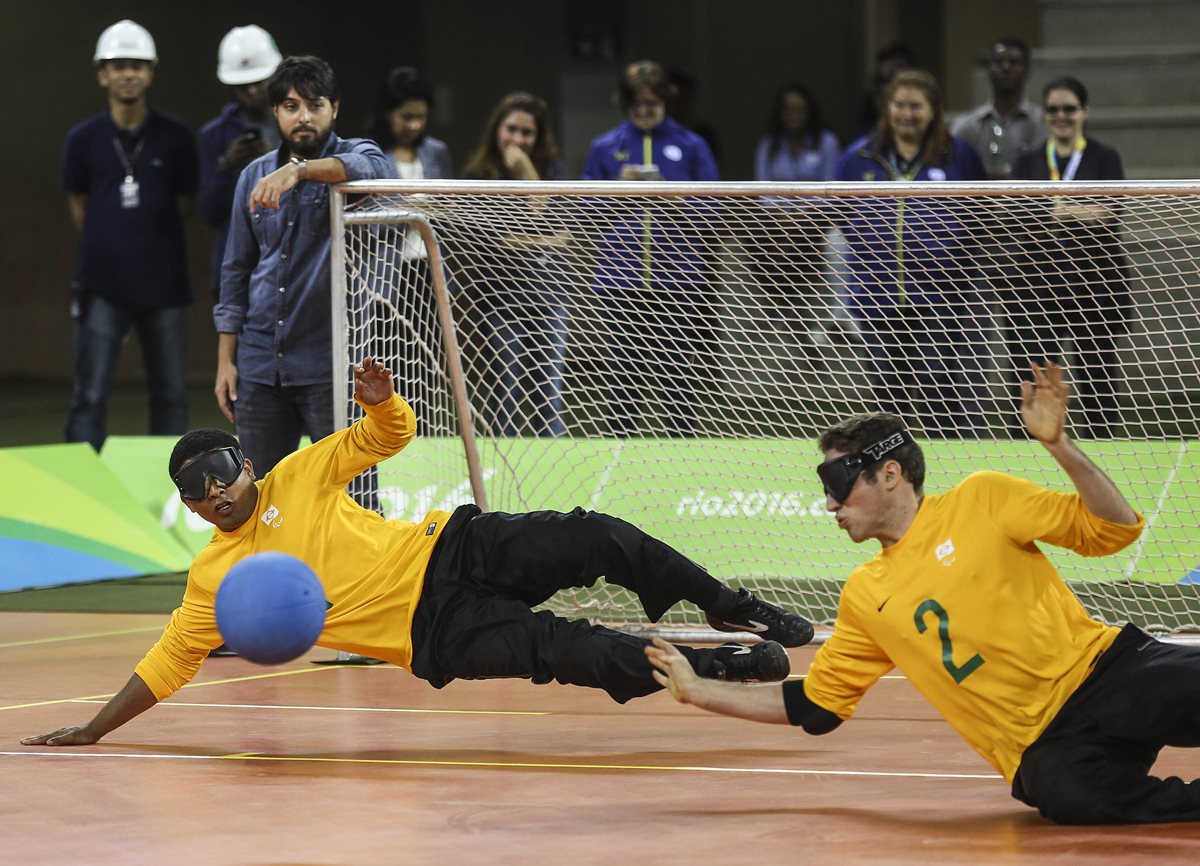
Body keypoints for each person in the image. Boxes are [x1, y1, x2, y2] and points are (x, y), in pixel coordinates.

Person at [20, 357, 815, 749]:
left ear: (247, 467)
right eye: (197, 490)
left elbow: (388, 436)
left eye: (220, 475)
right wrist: (93, 729)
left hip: (453, 548)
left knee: (597, 534)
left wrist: (380, 400)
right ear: (191, 507)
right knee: (576, 649)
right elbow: (167, 663)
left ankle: (733, 607)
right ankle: (713, 666)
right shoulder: (210, 580)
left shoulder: (300, 471)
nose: (214, 493)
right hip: (431, 636)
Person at [648, 361, 1200, 825]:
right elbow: (815, 706)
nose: (829, 506)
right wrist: (698, 691)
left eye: (838, 486)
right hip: (1042, 745)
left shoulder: (982, 497)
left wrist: (1059, 445)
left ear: (889, 474)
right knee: (1066, 795)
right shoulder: (867, 594)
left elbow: (1115, 529)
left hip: (1108, 673)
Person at [213, 55, 396, 504]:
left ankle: (361, 578)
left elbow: (378, 172)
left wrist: (298, 170)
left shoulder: (360, 156)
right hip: (259, 365)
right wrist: (225, 360)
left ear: (335, 107)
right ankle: (264, 579)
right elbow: (235, 271)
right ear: (275, 112)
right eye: (291, 106)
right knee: (255, 501)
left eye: (315, 105)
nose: (303, 116)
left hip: (333, 366)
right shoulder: (252, 177)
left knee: (355, 500)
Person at [62, 19, 198, 451]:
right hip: (101, 286)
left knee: (171, 397)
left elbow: (186, 204)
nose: (128, 74)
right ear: (102, 73)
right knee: (89, 397)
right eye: (118, 65)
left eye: (137, 65)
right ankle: (84, 489)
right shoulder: (81, 139)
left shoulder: (176, 137)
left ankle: (178, 497)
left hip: (165, 287)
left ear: (151, 73)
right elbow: (79, 206)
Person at [836, 69, 988, 438]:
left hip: (940, 299)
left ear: (934, 110)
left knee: (941, 389)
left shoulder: (959, 157)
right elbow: (836, 215)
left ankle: (948, 479)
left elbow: (980, 219)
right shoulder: (857, 158)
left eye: (916, 106)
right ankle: (894, 479)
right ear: (886, 109)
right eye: (899, 105)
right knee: (887, 394)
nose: (907, 113)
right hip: (876, 298)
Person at [582, 60, 720, 437]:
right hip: (619, 281)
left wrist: (676, 199)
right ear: (625, 103)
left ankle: (683, 463)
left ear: (667, 101)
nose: (645, 111)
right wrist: (614, 193)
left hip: (678, 282)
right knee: (624, 383)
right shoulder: (605, 147)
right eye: (637, 104)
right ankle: (618, 461)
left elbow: (717, 208)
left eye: (653, 102)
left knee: (678, 383)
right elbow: (584, 211)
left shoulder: (691, 145)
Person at [1007, 77, 1130, 439]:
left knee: (1098, 379)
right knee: (1033, 382)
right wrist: (1080, 209)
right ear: (1043, 115)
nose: (1061, 116)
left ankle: (1104, 460)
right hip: (1036, 289)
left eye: (1069, 108)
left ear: (1084, 113)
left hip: (1094, 285)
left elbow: (1111, 210)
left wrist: (1059, 211)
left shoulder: (1105, 158)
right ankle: (1030, 457)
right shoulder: (1028, 162)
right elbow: (1019, 217)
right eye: (1053, 109)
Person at [461, 92, 569, 436]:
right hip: (499, 300)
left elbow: (564, 233)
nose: (518, 140)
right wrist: (540, 241)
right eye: (511, 129)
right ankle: (497, 471)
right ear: (496, 129)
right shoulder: (477, 175)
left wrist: (528, 174)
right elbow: (490, 241)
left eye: (528, 133)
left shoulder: (551, 170)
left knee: (548, 392)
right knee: (504, 389)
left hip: (549, 298)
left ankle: (555, 469)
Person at [752, 82, 841, 344]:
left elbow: (832, 187)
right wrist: (780, 213)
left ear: (810, 112)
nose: (794, 116)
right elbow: (762, 189)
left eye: (800, 110)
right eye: (788, 111)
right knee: (754, 230)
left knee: (803, 234)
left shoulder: (827, 142)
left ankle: (795, 298)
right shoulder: (769, 145)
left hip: (816, 215)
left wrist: (803, 212)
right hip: (778, 217)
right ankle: (778, 301)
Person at [197, 26, 282, 299]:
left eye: (260, 81)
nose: (253, 91)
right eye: (243, 86)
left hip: (293, 261)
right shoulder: (215, 135)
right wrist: (226, 165)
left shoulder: (298, 125)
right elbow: (209, 212)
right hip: (238, 266)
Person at [950, 37, 1046, 181]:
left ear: (1027, 71)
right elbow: (954, 173)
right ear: (988, 70)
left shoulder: (1044, 122)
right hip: (976, 203)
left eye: (1014, 62)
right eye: (998, 62)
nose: (1005, 68)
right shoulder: (966, 126)